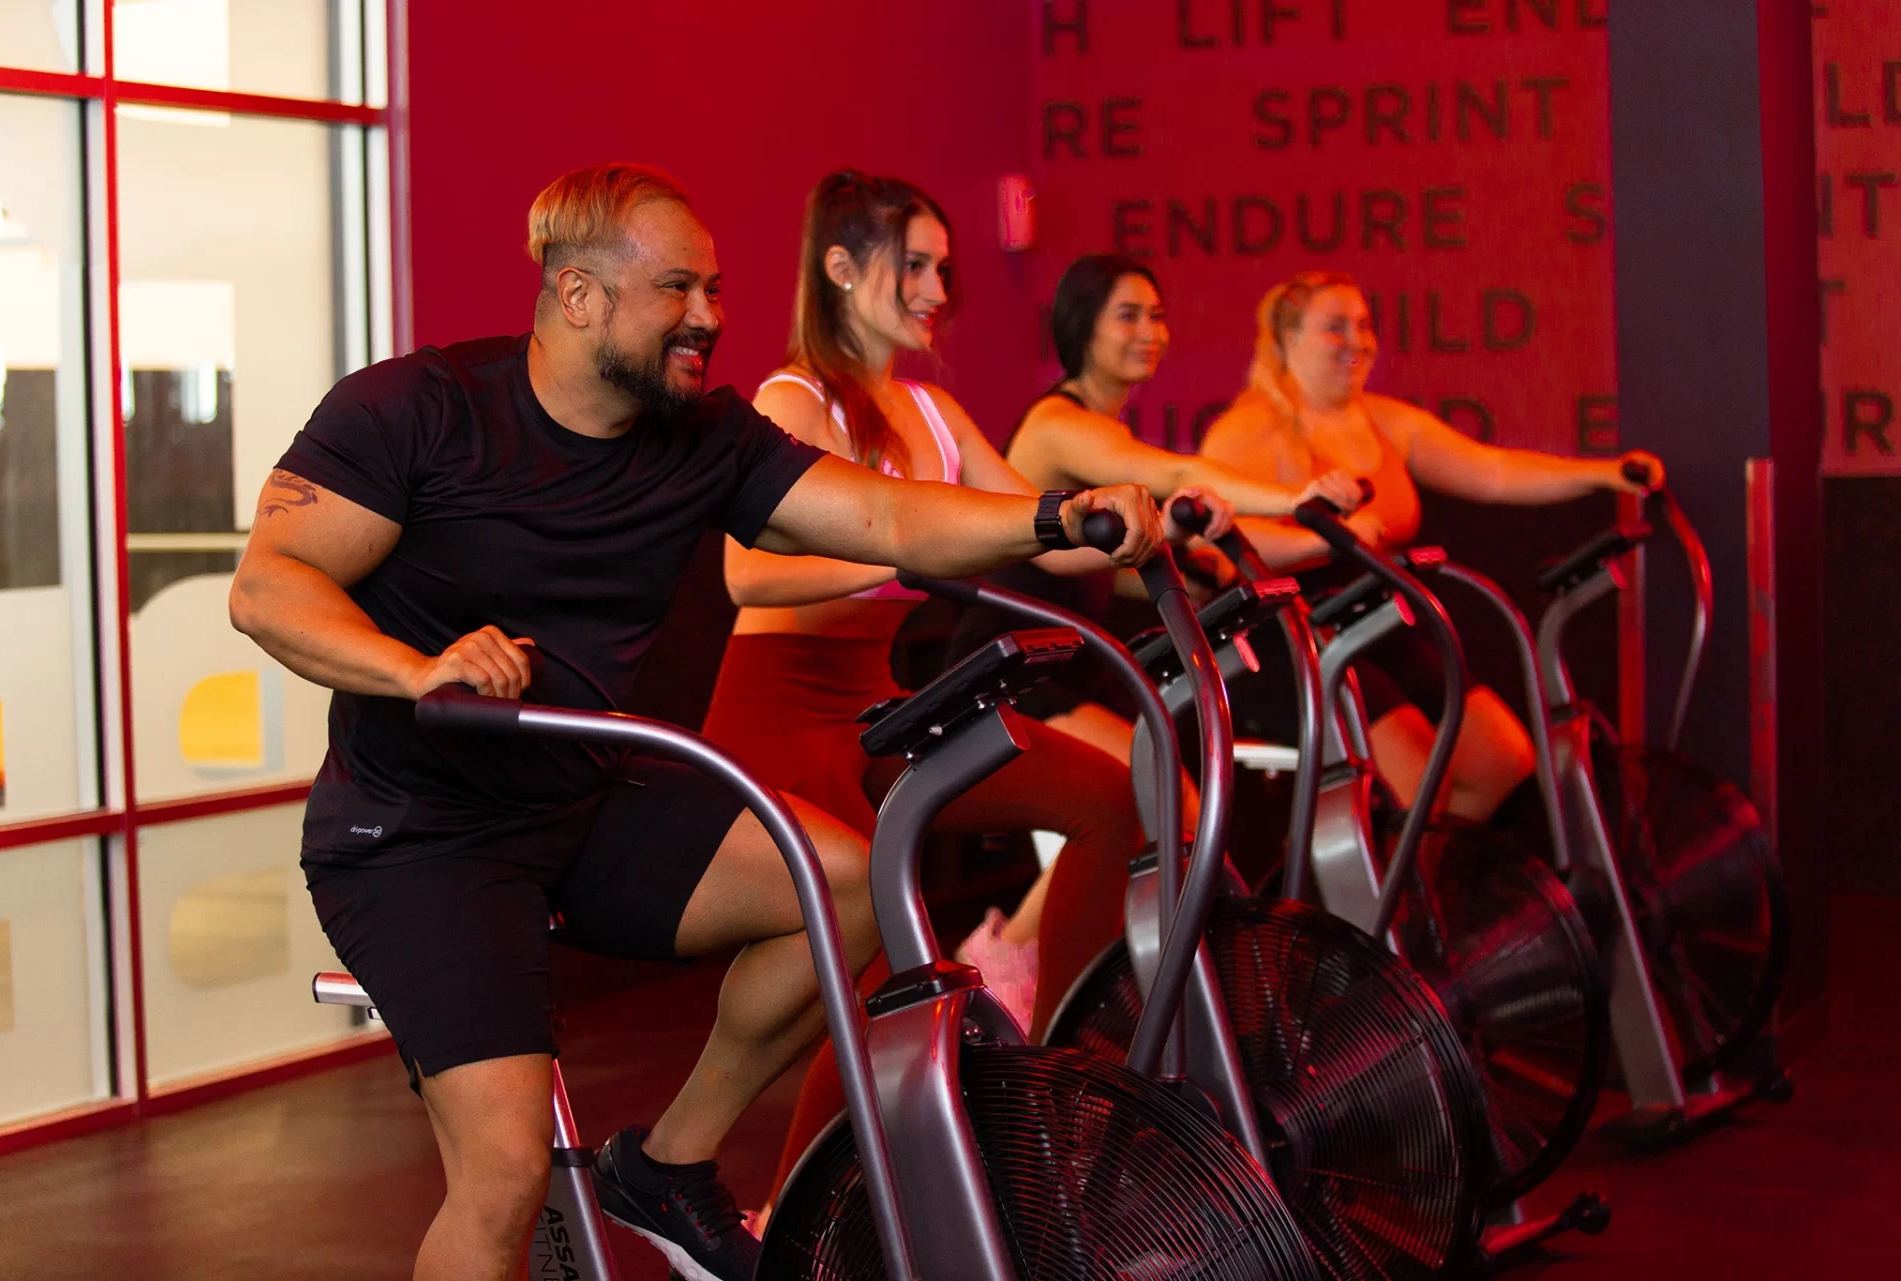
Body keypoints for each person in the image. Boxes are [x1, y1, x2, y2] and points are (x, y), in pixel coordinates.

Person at [227, 162, 1161, 1281]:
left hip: (583, 794)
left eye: (715, 289)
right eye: (679, 289)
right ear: (579, 297)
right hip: (422, 836)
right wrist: (416, 665)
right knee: (506, 1172)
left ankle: (668, 1165)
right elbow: (269, 585)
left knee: (849, 885)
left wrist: (1055, 517)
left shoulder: (703, 438)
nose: (712, 317)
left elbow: (880, 513)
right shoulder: (416, 409)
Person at [698, 175, 1194, 1217]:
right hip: (779, 711)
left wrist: (1130, 517)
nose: (935, 290)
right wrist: (897, 557)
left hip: (875, 704)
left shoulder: (930, 409)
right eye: (912, 266)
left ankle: (1062, 1084)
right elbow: (747, 578)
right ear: (840, 268)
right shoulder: (795, 404)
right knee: (877, 952)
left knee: (1109, 800)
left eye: (940, 269)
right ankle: (791, 1216)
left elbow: (1036, 532)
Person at [1197, 270, 1663, 822]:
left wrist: (1605, 474)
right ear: (1287, 340)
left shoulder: (1384, 421)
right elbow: (1223, 547)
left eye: (1365, 325)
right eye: (1335, 327)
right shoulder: (1251, 429)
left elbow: (1492, 470)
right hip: (1291, 634)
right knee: (1417, 784)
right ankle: (1388, 903)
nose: (1358, 341)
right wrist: (1323, 539)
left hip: (1376, 618)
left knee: (1500, 761)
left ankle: (1435, 895)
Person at [949, 253, 1360, 774]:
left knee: (1184, 786)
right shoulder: (1059, 423)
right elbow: (1170, 474)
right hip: (1004, 667)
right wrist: (1296, 499)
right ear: (1082, 327)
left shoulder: (1103, 424)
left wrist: (1191, 570)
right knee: (1158, 790)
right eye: (1128, 315)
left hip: (1070, 660)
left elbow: (1082, 567)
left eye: (1157, 315)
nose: (1149, 331)